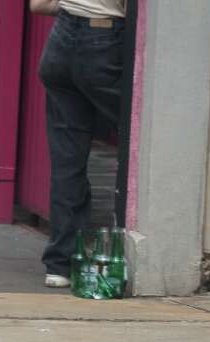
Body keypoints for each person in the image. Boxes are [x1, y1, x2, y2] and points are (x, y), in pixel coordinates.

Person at [30, 0, 125, 288]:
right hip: (106, 40)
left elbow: (39, 4)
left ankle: (60, 265)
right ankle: (133, 253)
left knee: (66, 161)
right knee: (145, 133)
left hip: (61, 41)